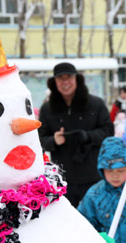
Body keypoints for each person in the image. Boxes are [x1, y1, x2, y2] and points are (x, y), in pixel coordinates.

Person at [38, 62, 114, 207]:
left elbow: (108, 132)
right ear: (54, 82)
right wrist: (53, 141)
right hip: (63, 178)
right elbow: (39, 139)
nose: (65, 82)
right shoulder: (47, 109)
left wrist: (88, 136)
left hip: (93, 175)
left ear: (77, 79)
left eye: (69, 77)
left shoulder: (96, 104)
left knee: (95, 222)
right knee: (67, 224)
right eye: (61, 78)